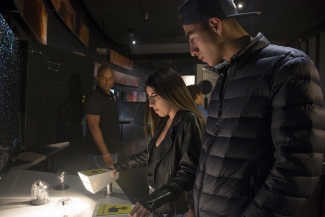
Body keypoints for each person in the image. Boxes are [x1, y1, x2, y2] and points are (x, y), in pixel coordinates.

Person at [178, 0, 325, 216]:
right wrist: (193, 206)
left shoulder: (287, 66)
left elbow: (297, 168)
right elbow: (209, 155)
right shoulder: (222, 80)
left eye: (192, 38)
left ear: (216, 25)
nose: (192, 50)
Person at [110, 68, 205, 217]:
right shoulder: (166, 120)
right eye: (149, 97)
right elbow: (151, 154)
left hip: (176, 207)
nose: (150, 103)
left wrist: (152, 200)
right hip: (159, 201)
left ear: (171, 92)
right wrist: (119, 166)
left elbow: (188, 174)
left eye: (155, 96)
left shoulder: (190, 120)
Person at [84, 65, 121, 169]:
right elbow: (93, 127)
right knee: (102, 184)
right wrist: (105, 153)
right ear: (97, 78)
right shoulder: (94, 98)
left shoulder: (109, 96)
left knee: (108, 183)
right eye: (104, 78)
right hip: (100, 153)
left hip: (111, 150)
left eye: (110, 78)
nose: (107, 82)